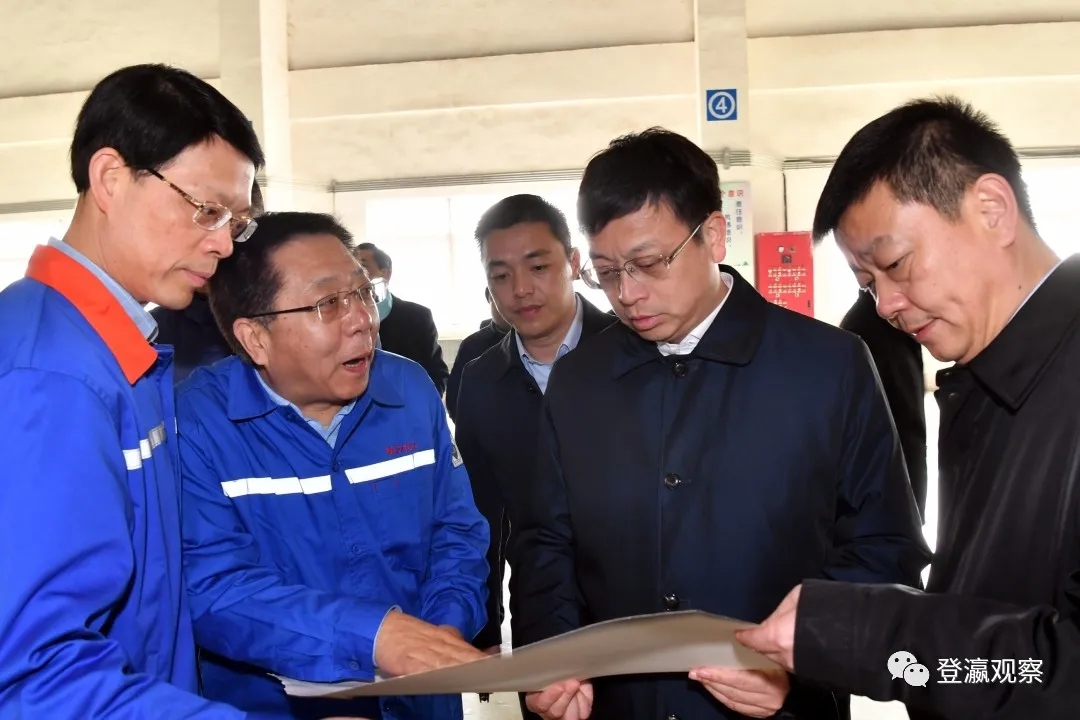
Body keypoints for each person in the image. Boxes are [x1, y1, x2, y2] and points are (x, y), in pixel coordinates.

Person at [513, 128, 930, 720]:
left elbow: (884, 549)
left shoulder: (827, 367)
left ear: (713, 233)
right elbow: (544, 544)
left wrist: (797, 666)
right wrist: (552, 655)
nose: (627, 294)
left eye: (648, 263)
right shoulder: (579, 381)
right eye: (605, 272)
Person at [737, 97, 1080, 720]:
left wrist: (875, 633)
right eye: (868, 284)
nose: (887, 305)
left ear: (991, 209)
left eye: (896, 264)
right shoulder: (981, 382)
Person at [0, 64, 265, 718]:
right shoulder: (52, 376)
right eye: (207, 210)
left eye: (236, 222)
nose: (223, 244)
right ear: (111, 178)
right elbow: (35, 676)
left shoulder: (110, 349)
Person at [178, 211, 490, 720]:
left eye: (364, 293)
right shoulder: (197, 424)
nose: (362, 319)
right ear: (256, 338)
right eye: (327, 304)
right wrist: (374, 639)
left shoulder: (410, 392)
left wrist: (439, 637)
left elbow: (456, 532)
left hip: (418, 701)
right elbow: (214, 587)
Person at [454, 194, 616, 653]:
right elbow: (480, 513)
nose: (520, 289)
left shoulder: (632, 354)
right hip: (540, 611)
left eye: (538, 267)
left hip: (637, 607)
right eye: (501, 276)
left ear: (573, 262)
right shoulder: (482, 380)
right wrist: (485, 628)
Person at [151, 181, 265, 382]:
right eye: (208, 215)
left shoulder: (283, 321)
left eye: (238, 229)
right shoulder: (151, 333)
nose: (222, 246)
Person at [838, 288, 928, 518]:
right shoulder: (870, 327)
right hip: (887, 491)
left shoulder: (885, 322)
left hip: (898, 483)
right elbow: (900, 420)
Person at [355, 242, 450, 395]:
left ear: (386, 274)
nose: (357, 275)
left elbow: (437, 374)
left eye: (363, 267)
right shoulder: (349, 321)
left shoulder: (418, 317)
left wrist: (419, 404)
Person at [446, 287, 511, 422]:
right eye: (499, 300)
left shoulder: (541, 341)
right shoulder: (472, 345)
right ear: (489, 301)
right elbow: (455, 401)